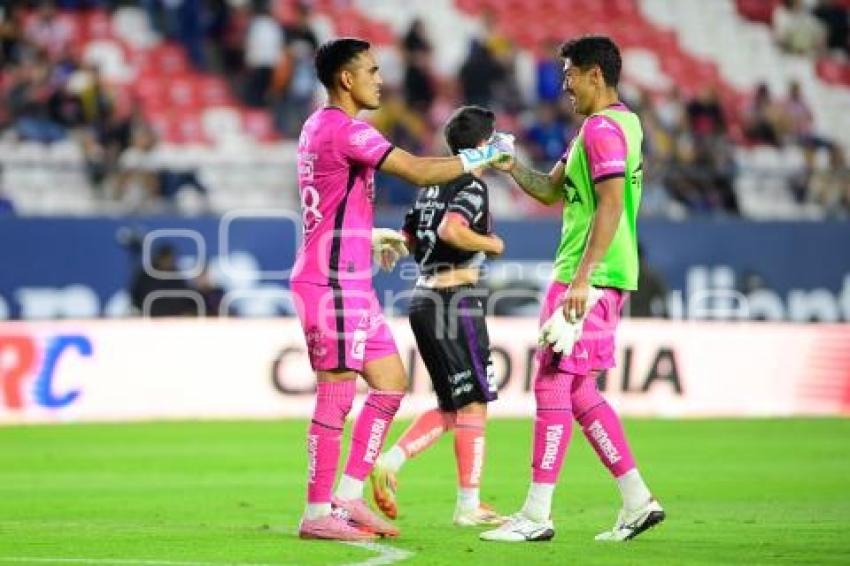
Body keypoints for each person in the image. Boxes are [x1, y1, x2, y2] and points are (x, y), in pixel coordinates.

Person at [290, 38, 513, 542]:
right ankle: (316, 511)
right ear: (345, 79)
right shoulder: (343, 129)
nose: (380, 79)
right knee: (337, 393)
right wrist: (483, 155)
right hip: (329, 284)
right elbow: (416, 170)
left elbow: (326, 199)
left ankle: (346, 497)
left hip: (349, 276)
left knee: (390, 383)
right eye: (371, 71)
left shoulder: (318, 127)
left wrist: (365, 236)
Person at [480, 35, 664, 543]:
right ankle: (636, 500)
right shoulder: (609, 127)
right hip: (600, 273)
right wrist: (510, 166)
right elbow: (549, 189)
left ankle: (537, 515)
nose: (563, 85)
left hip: (589, 276)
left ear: (595, 75)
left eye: (569, 75)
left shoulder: (603, 131)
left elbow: (609, 205)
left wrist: (582, 279)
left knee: (551, 383)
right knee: (579, 389)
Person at [368, 106, 507, 528]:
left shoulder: (431, 185)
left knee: (454, 404)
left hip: (424, 300)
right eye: (496, 139)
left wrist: (396, 245)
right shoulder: (470, 185)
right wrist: (493, 244)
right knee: (475, 403)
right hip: (454, 300)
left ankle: (390, 461)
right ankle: (468, 506)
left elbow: (410, 235)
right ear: (483, 146)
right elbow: (451, 231)